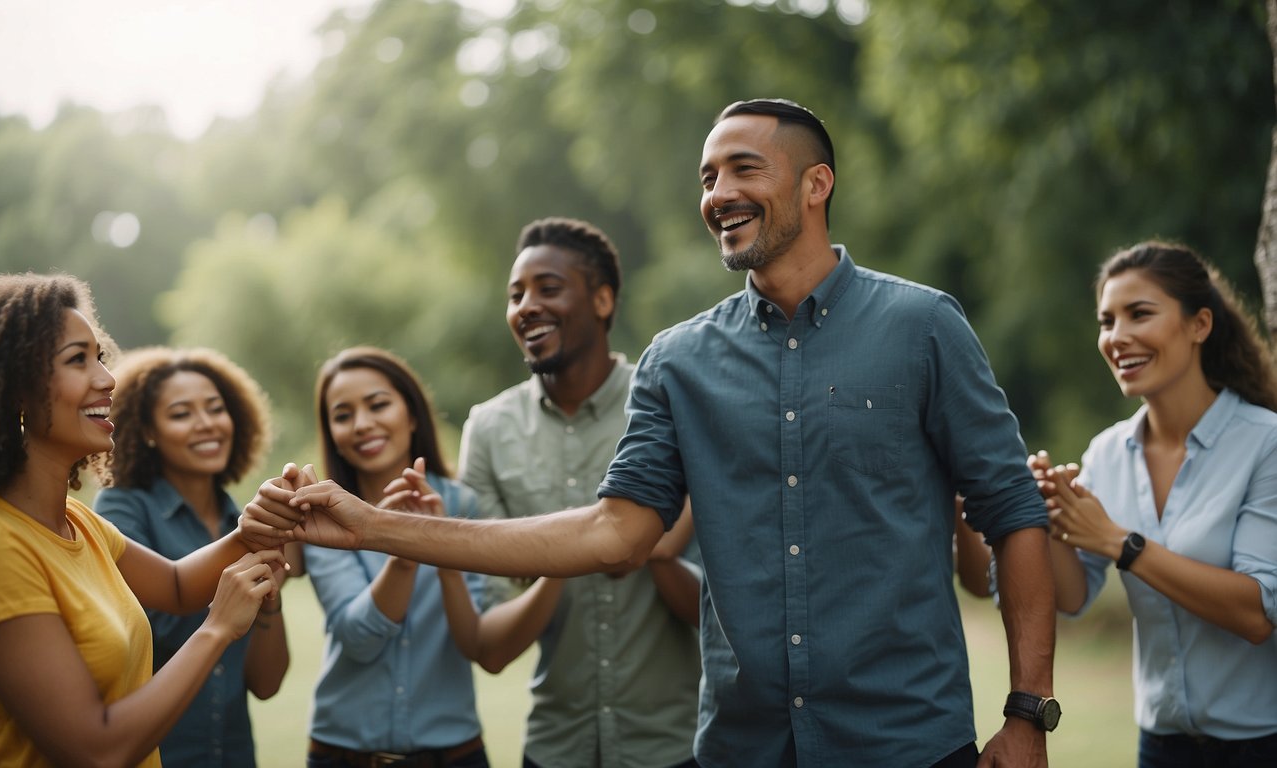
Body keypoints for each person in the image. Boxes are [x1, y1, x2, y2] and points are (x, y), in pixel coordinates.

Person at [245, 98, 1057, 768]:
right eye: (707, 176)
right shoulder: (680, 360)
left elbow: (1012, 513)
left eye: (744, 168)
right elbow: (615, 533)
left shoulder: (921, 325)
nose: (718, 192)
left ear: (817, 184)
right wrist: (375, 525)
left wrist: (1027, 713)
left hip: (907, 743)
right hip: (742, 749)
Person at [0, 273, 281, 767]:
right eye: (77, 360)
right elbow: (97, 750)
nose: (107, 379)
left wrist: (262, 524)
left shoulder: (77, 521)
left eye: (98, 356)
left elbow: (178, 584)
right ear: (13, 389)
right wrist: (217, 629)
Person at [457, 217, 701, 768]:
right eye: (515, 295)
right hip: (553, 748)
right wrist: (575, 550)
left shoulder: (672, 408)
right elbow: (492, 647)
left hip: (676, 748)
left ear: (603, 299)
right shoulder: (489, 431)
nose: (526, 307)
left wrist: (651, 549)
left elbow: (720, 614)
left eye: (548, 288)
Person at [1030, 241, 1277, 767]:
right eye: (1106, 321)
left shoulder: (1266, 443)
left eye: (1139, 314)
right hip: (1159, 747)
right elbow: (1074, 597)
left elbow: (1258, 612)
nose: (1117, 337)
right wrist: (1053, 515)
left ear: (1199, 325)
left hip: (1262, 745)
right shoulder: (1107, 453)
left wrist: (1120, 543)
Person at [92, 347, 291, 768]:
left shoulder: (240, 517)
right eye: (181, 413)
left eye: (216, 409)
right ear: (147, 431)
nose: (206, 424)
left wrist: (269, 602)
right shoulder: (121, 508)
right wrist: (235, 591)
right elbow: (152, 620)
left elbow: (266, 684)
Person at [303, 347, 489, 768]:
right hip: (343, 755)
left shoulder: (462, 502)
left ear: (412, 414)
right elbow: (359, 639)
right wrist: (405, 552)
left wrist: (441, 545)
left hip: (454, 754)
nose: (363, 424)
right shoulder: (322, 513)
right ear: (331, 431)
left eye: (378, 404)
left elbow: (474, 639)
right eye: (343, 414)